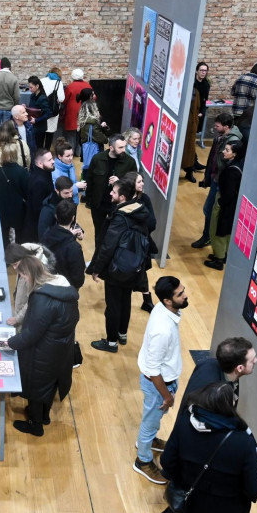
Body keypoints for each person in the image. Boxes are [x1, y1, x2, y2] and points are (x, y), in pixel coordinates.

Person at [159, 383, 257, 513]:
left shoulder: (185, 422)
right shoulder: (244, 442)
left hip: (186, 511)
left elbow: (167, 462)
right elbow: (254, 490)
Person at [7, 256, 79, 436]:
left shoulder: (41, 298)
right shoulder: (65, 289)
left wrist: (9, 343)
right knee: (50, 383)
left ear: (30, 274)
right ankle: (45, 416)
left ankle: (35, 424)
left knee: (36, 387)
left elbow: (31, 334)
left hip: (43, 351)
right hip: (62, 347)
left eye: (23, 276)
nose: (22, 279)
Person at [134, 276, 188, 484]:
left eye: (183, 290)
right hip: (159, 386)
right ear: (167, 300)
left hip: (163, 383)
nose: (185, 295)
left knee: (152, 420)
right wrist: (167, 396)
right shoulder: (162, 331)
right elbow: (153, 370)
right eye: (180, 294)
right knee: (150, 422)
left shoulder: (163, 309)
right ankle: (143, 459)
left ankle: (147, 441)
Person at [87, 177, 151, 352]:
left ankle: (111, 342)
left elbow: (108, 246)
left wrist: (96, 269)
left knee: (113, 305)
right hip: (134, 266)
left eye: (114, 192)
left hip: (117, 268)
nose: (110, 193)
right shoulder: (140, 210)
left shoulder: (120, 217)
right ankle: (122, 334)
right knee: (126, 300)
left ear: (122, 198)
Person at [192, 113, 243, 249]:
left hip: (220, 181)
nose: (214, 128)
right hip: (215, 178)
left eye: (217, 126)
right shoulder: (221, 137)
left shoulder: (232, 141)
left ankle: (208, 237)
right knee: (209, 210)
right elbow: (213, 157)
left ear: (226, 127)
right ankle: (209, 236)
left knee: (210, 210)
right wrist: (208, 176)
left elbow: (223, 163)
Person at [86, 134, 138, 247]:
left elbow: (135, 181)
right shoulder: (98, 159)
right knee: (99, 233)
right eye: (120, 147)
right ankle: (98, 258)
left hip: (117, 205)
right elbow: (90, 179)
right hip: (99, 204)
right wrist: (89, 200)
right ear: (111, 148)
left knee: (116, 234)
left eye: (124, 146)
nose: (124, 150)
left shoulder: (130, 162)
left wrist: (120, 181)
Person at [180, 337, 256, 412]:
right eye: (252, 360)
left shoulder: (208, 363)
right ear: (239, 368)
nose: (256, 361)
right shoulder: (217, 394)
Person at [205, 140, 245, 270]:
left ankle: (219, 259)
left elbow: (228, 194)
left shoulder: (232, 171)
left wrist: (219, 203)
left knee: (216, 231)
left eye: (227, 150)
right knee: (226, 232)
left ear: (234, 154)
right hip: (231, 206)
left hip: (225, 204)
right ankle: (223, 255)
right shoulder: (238, 165)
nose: (223, 151)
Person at [124, 171, 157, 312]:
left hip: (142, 243)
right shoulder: (123, 199)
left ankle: (147, 300)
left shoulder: (145, 199)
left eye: (142, 181)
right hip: (126, 245)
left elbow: (152, 223)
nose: (142, 184)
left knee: (141, 270)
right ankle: (145, 300)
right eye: (139, 182)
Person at [4, 243, 56, 329]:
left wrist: (18, 318)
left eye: (15, 264)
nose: (14, 268)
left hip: (27, 319)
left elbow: (31, 301)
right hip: (20, 312)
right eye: (12, 265)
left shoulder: (33, 272)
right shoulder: (24, 264)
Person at [40, 199, 85, 290]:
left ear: (56, 216)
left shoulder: (46, 235)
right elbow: (78, 278)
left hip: (49, 284)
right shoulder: (74, 248)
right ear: (73, 218)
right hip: (67, 288)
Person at [0, 144, 29, 247]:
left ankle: (5, 253)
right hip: (18, 209)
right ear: (15, 155)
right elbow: (27, 192)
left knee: (4, 233)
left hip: (2, 209)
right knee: (19, 234)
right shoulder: (22, 172)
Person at [22, 148, 55, 242]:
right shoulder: (39, 182)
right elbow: (37, 209)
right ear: (40, 163)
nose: (53, 162)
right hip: (36, 230)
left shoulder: (45, 173)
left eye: (52, 158)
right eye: (49, 160)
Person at [62, 68, 93, 156]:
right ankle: (78, 153)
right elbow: (94, 98)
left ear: (72, 76)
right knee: (81, 134)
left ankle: (70, 153)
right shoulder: (88, 85)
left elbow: (64, 100)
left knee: (71, 134)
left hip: (72, 113)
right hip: (85, 112)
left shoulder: (70, 86)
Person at [37, 175, 74, 240]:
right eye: (66, 193)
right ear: (57, 191)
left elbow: (71, 221)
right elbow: (43, 236)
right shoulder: (47, 210)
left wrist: (79, 231)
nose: (70, 195)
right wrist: (68, 234)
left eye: (71, 191)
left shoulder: (68, 200)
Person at [52, 138, 86, 205]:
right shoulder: (55, 173)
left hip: (73, 201)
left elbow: (73, 181)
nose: (71, 158)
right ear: (60, 156)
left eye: (72, 155)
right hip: (64, 206)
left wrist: (81, 185)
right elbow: (60, 192)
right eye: (67, 156)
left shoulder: (69, 165)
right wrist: (76, 186)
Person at [40, 67, 65, 149]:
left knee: (41, 131)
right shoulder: (58, 82)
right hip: (53, 111)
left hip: (42, 110)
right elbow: (61, 98)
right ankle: (47, 150)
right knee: (50, 133)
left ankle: (40, 152)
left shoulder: (41, 80)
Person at [181, 86, 202, 182]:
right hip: (182, 126)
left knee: (190, 151)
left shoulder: (195, 92)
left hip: (191, 127)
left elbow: (197, 108)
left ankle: (189, 172)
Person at [27, 75, 52, 148]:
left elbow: (48, 113)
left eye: (31, 87)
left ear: (37, 86)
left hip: (40, 127)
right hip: (33, 125)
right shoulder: (32, 96)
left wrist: (37, 120)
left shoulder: (42, 98)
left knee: (38, 147)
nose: (30, 89)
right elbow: (32, 108)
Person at [194, 62, 211, 138]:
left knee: (196, 130)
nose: (203, 72)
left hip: (200, 110)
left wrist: (202, 112)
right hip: (191, 109)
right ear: (197, 71)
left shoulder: (206, 84)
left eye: (205, 71)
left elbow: (205, 99)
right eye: (201, 70)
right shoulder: (192, 82)